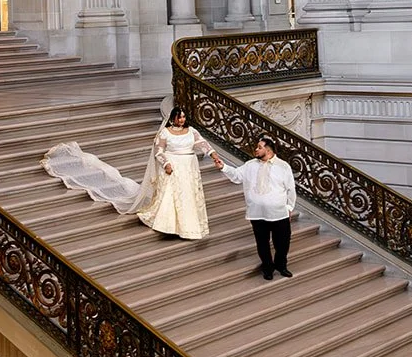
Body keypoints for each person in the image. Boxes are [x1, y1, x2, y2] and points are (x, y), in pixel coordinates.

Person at [43, 106, 214, 240]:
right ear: (173, 118)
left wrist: (214, 155)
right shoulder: (164, 133)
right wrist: (167, 163)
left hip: (188, 167)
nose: (182, 119)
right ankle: (169, 225)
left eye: (184, 117)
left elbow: (202, 143)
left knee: (188, 196)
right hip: (172, 167)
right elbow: (158, 151)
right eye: (179, 117)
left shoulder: (191, 132)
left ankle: (188, 226)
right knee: (172, 195)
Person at [212, 137, 296, 280]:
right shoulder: (250, 165)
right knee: (262, 243)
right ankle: (267, 268)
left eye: (259, 147)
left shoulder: (283, 166)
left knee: (282, 243)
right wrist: (223, 167)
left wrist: (289, 207)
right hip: (256, 213)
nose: (256, 149)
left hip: (279, 213)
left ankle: (281, 265)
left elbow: (291, 189)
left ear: (268, 150)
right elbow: (237, 176)